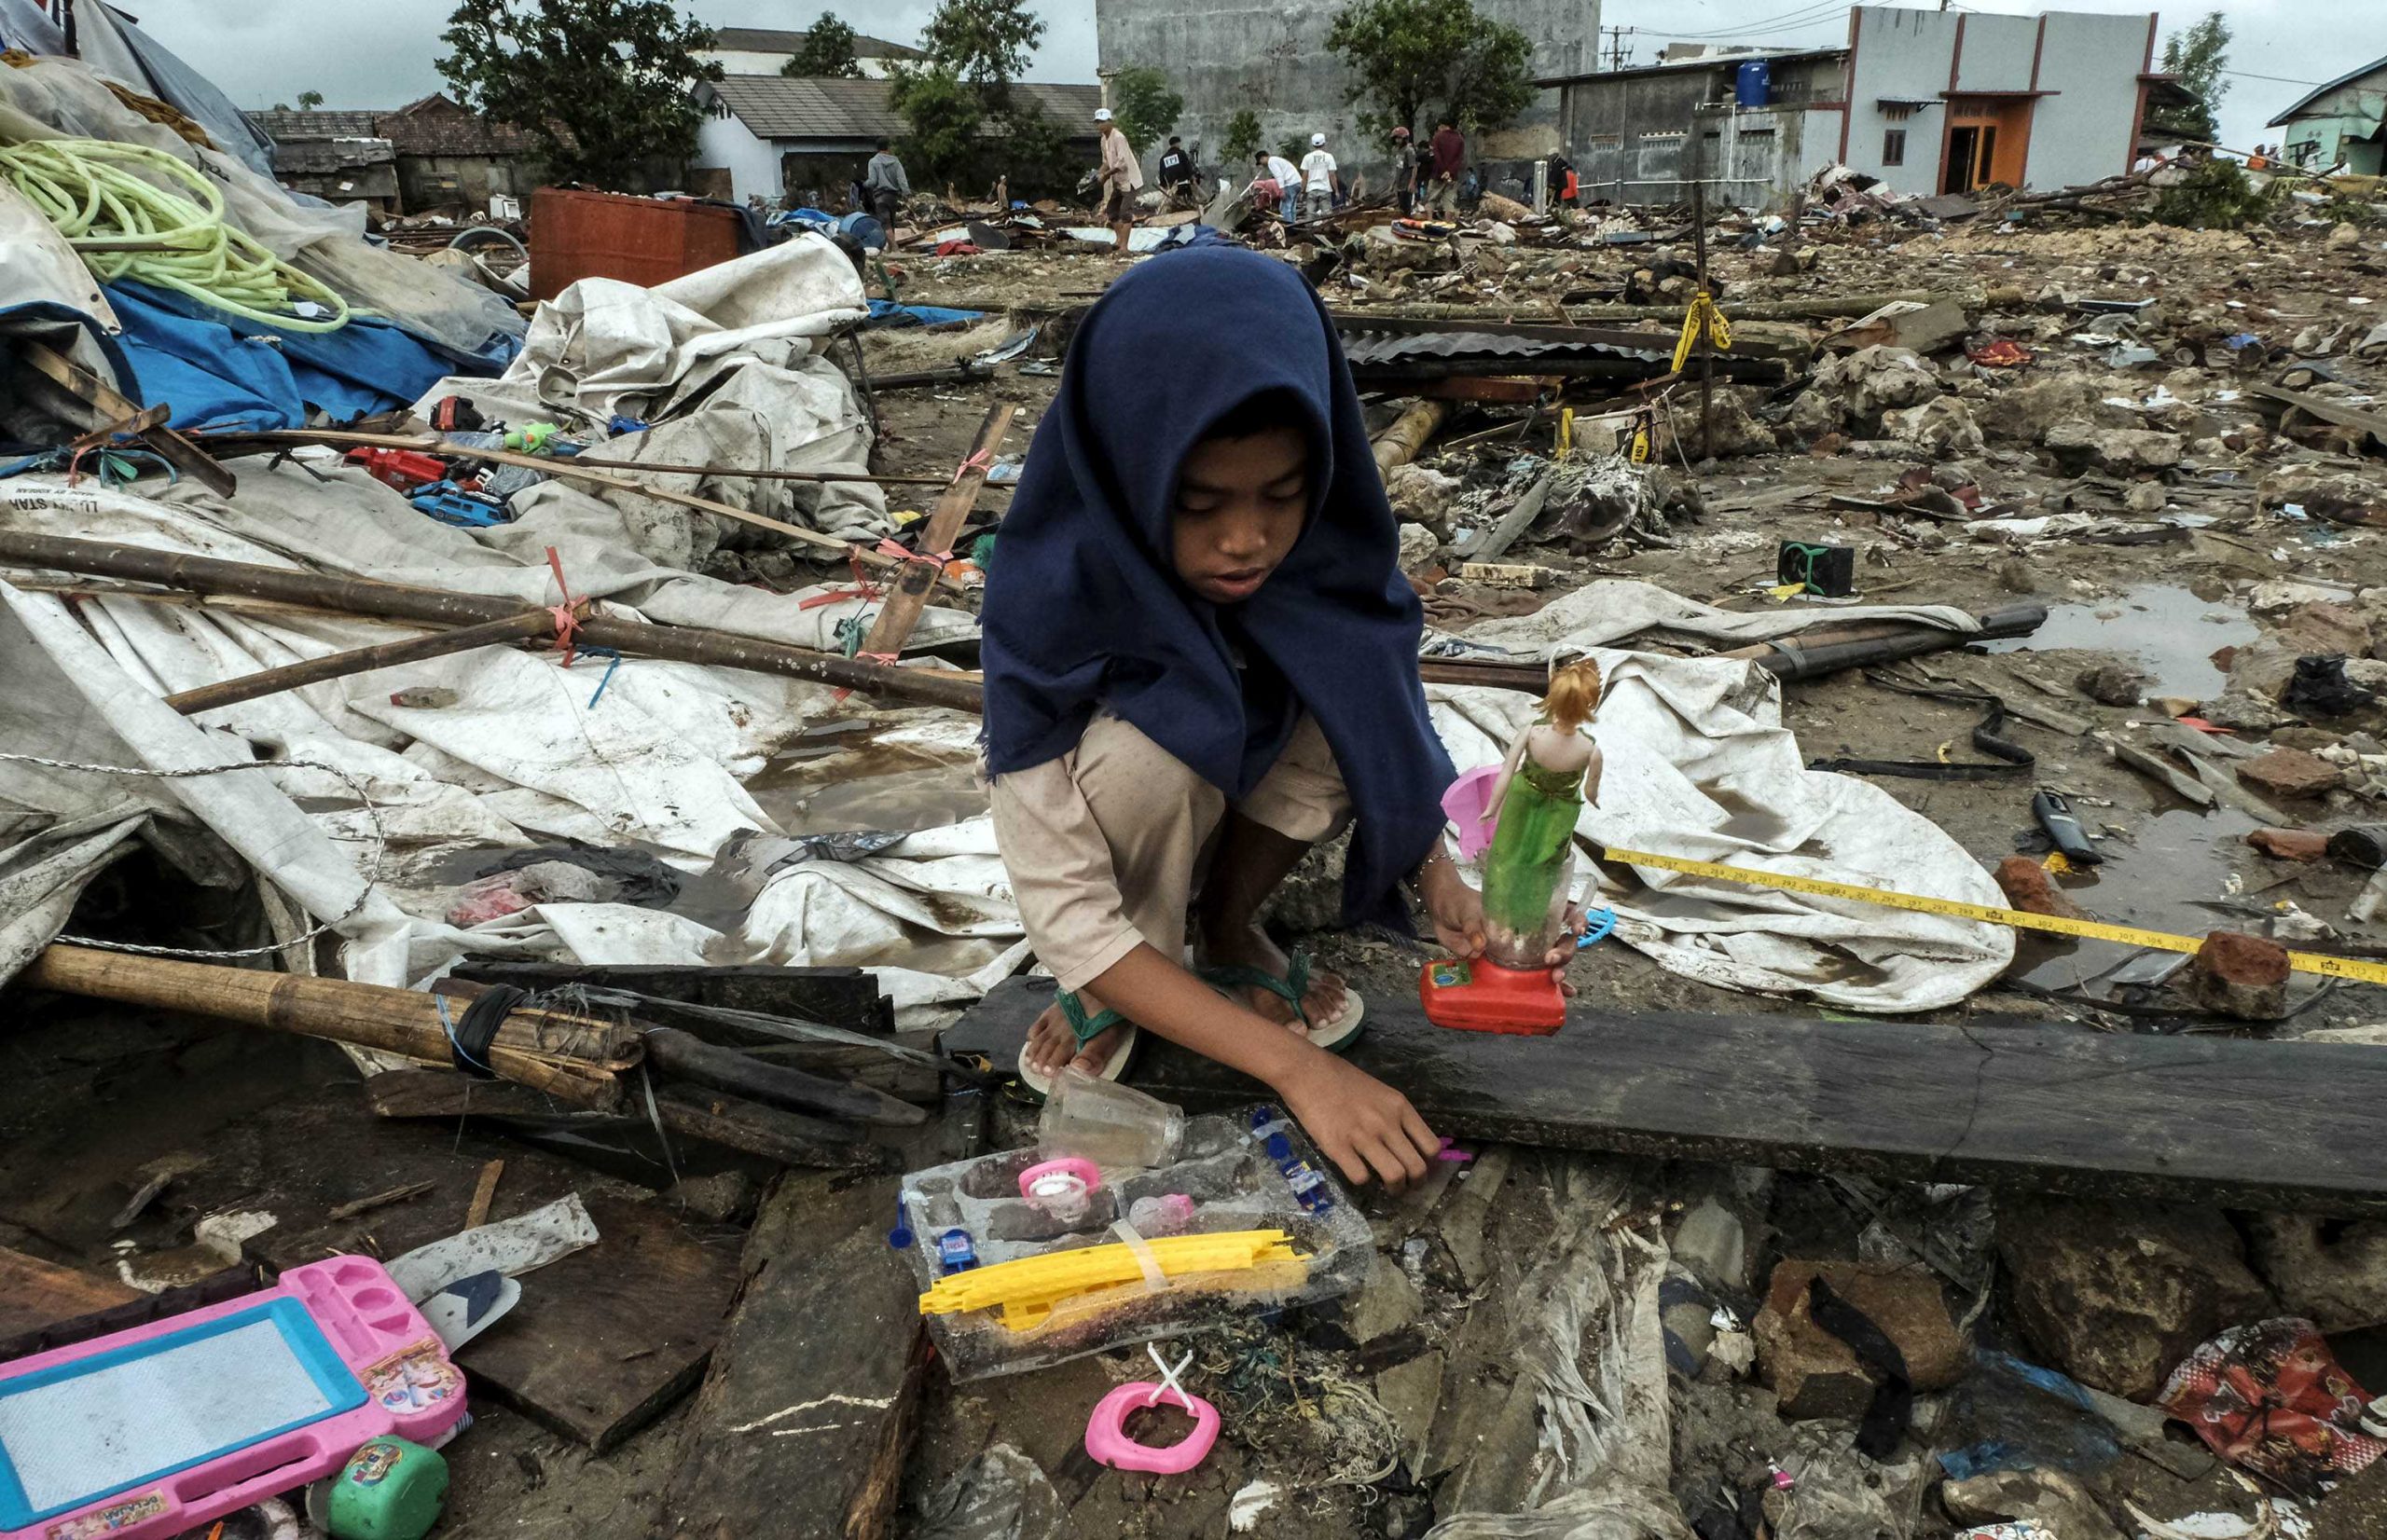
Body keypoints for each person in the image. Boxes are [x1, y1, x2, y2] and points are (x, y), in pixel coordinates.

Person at [981, 246, 1587, 1189]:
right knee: (1157, 754)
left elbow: (1388, 732)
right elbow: (1064, 906)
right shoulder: (1050, 597)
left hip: (1232, 787)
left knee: (1346, 686)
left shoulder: (1322, 563)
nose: (1245, 539)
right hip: (1125, 830)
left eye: (1281, 495)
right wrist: (1302, 1070)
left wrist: (1446, 882)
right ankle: (1119, 983)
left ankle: (1225, 927)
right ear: (1126, 472)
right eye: (1199, 503)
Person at [1094, 106, 1144, 257]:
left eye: (1103, 122)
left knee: (1125, 212)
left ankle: (1125, 247)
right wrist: (1096, 174)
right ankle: (1119, 240)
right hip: (1118, 181)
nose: (1100, 125)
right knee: (1112, 211)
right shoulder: (1104, 140)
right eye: (1098, 122)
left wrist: (1106, 175)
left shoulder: (1119, 137)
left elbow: (1122, 163)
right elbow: (1106, 162)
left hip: (1130, 180)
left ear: (1110, 122)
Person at [862, 138, 910, 231]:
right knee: (892, 223)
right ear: (888, 148)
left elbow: (873, 181)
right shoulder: (895, 161)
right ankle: (892, 245)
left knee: (885, 224)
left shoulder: (873, 161)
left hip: (880, 197)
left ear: (877, 148)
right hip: (893, 197)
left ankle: (893, 245)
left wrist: (864, 184)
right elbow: (902, 179)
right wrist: (906, 193)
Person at [1428, 117, 1465, 217]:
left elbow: (1437, 156)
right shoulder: (1460, 139)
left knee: (1432, 199)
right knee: (1449, 202)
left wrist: (1444, 171)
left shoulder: (1437, 137)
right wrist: (1449, 172)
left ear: (1443, 126)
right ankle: (1448, 226)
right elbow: (1459, 159)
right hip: (1452, 177)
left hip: (1438, 174)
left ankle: (1429, 223)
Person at [1251, 148, 1301, 223]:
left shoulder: (1271, 162)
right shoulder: (1276, 160)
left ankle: (1288, 226)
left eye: (1261, 162)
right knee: (1291, 207)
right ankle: (1293, 223)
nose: (1262, 165)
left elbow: (1279, 175)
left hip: (1290, 183)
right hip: (1297, 182)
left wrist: (1281, 190)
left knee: (1284, 208)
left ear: (1262, 158)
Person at [1299, 131, 1339, 219]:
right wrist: (1336, 191)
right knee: (1327, 215)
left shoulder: (1307, 157)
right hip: (1325, 189)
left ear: (1313, 144)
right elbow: (1332, 175)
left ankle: (1309, 231)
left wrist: (1302, 191)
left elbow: (1305, 176)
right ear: (1323, 143)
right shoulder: (1329, 157)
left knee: (1310, 215)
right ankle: (1326, 231)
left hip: (1311, 189)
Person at [1156, 134, 1198, 207]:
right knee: (1190, 204)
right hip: (1184, 185)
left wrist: (1163, 185)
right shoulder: (1181, 153)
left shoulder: (1163, 158)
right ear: (1177, 143)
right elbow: (1187, 167)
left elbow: (1162, 173)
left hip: (1171, 188)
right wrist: (1192, 178)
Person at [1390, 125, 1419, 215]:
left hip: (1407, 184)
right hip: (1399, 183)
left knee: (1406, 209)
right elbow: (1398, 168)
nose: (1398, 141)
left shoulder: (1409, 150)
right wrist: (1394, 182)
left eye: (1400, 138)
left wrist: (1411, 183)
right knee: (1400, 208)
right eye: (1396, 138)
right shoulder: (1397, 150)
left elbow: (1414, 167)